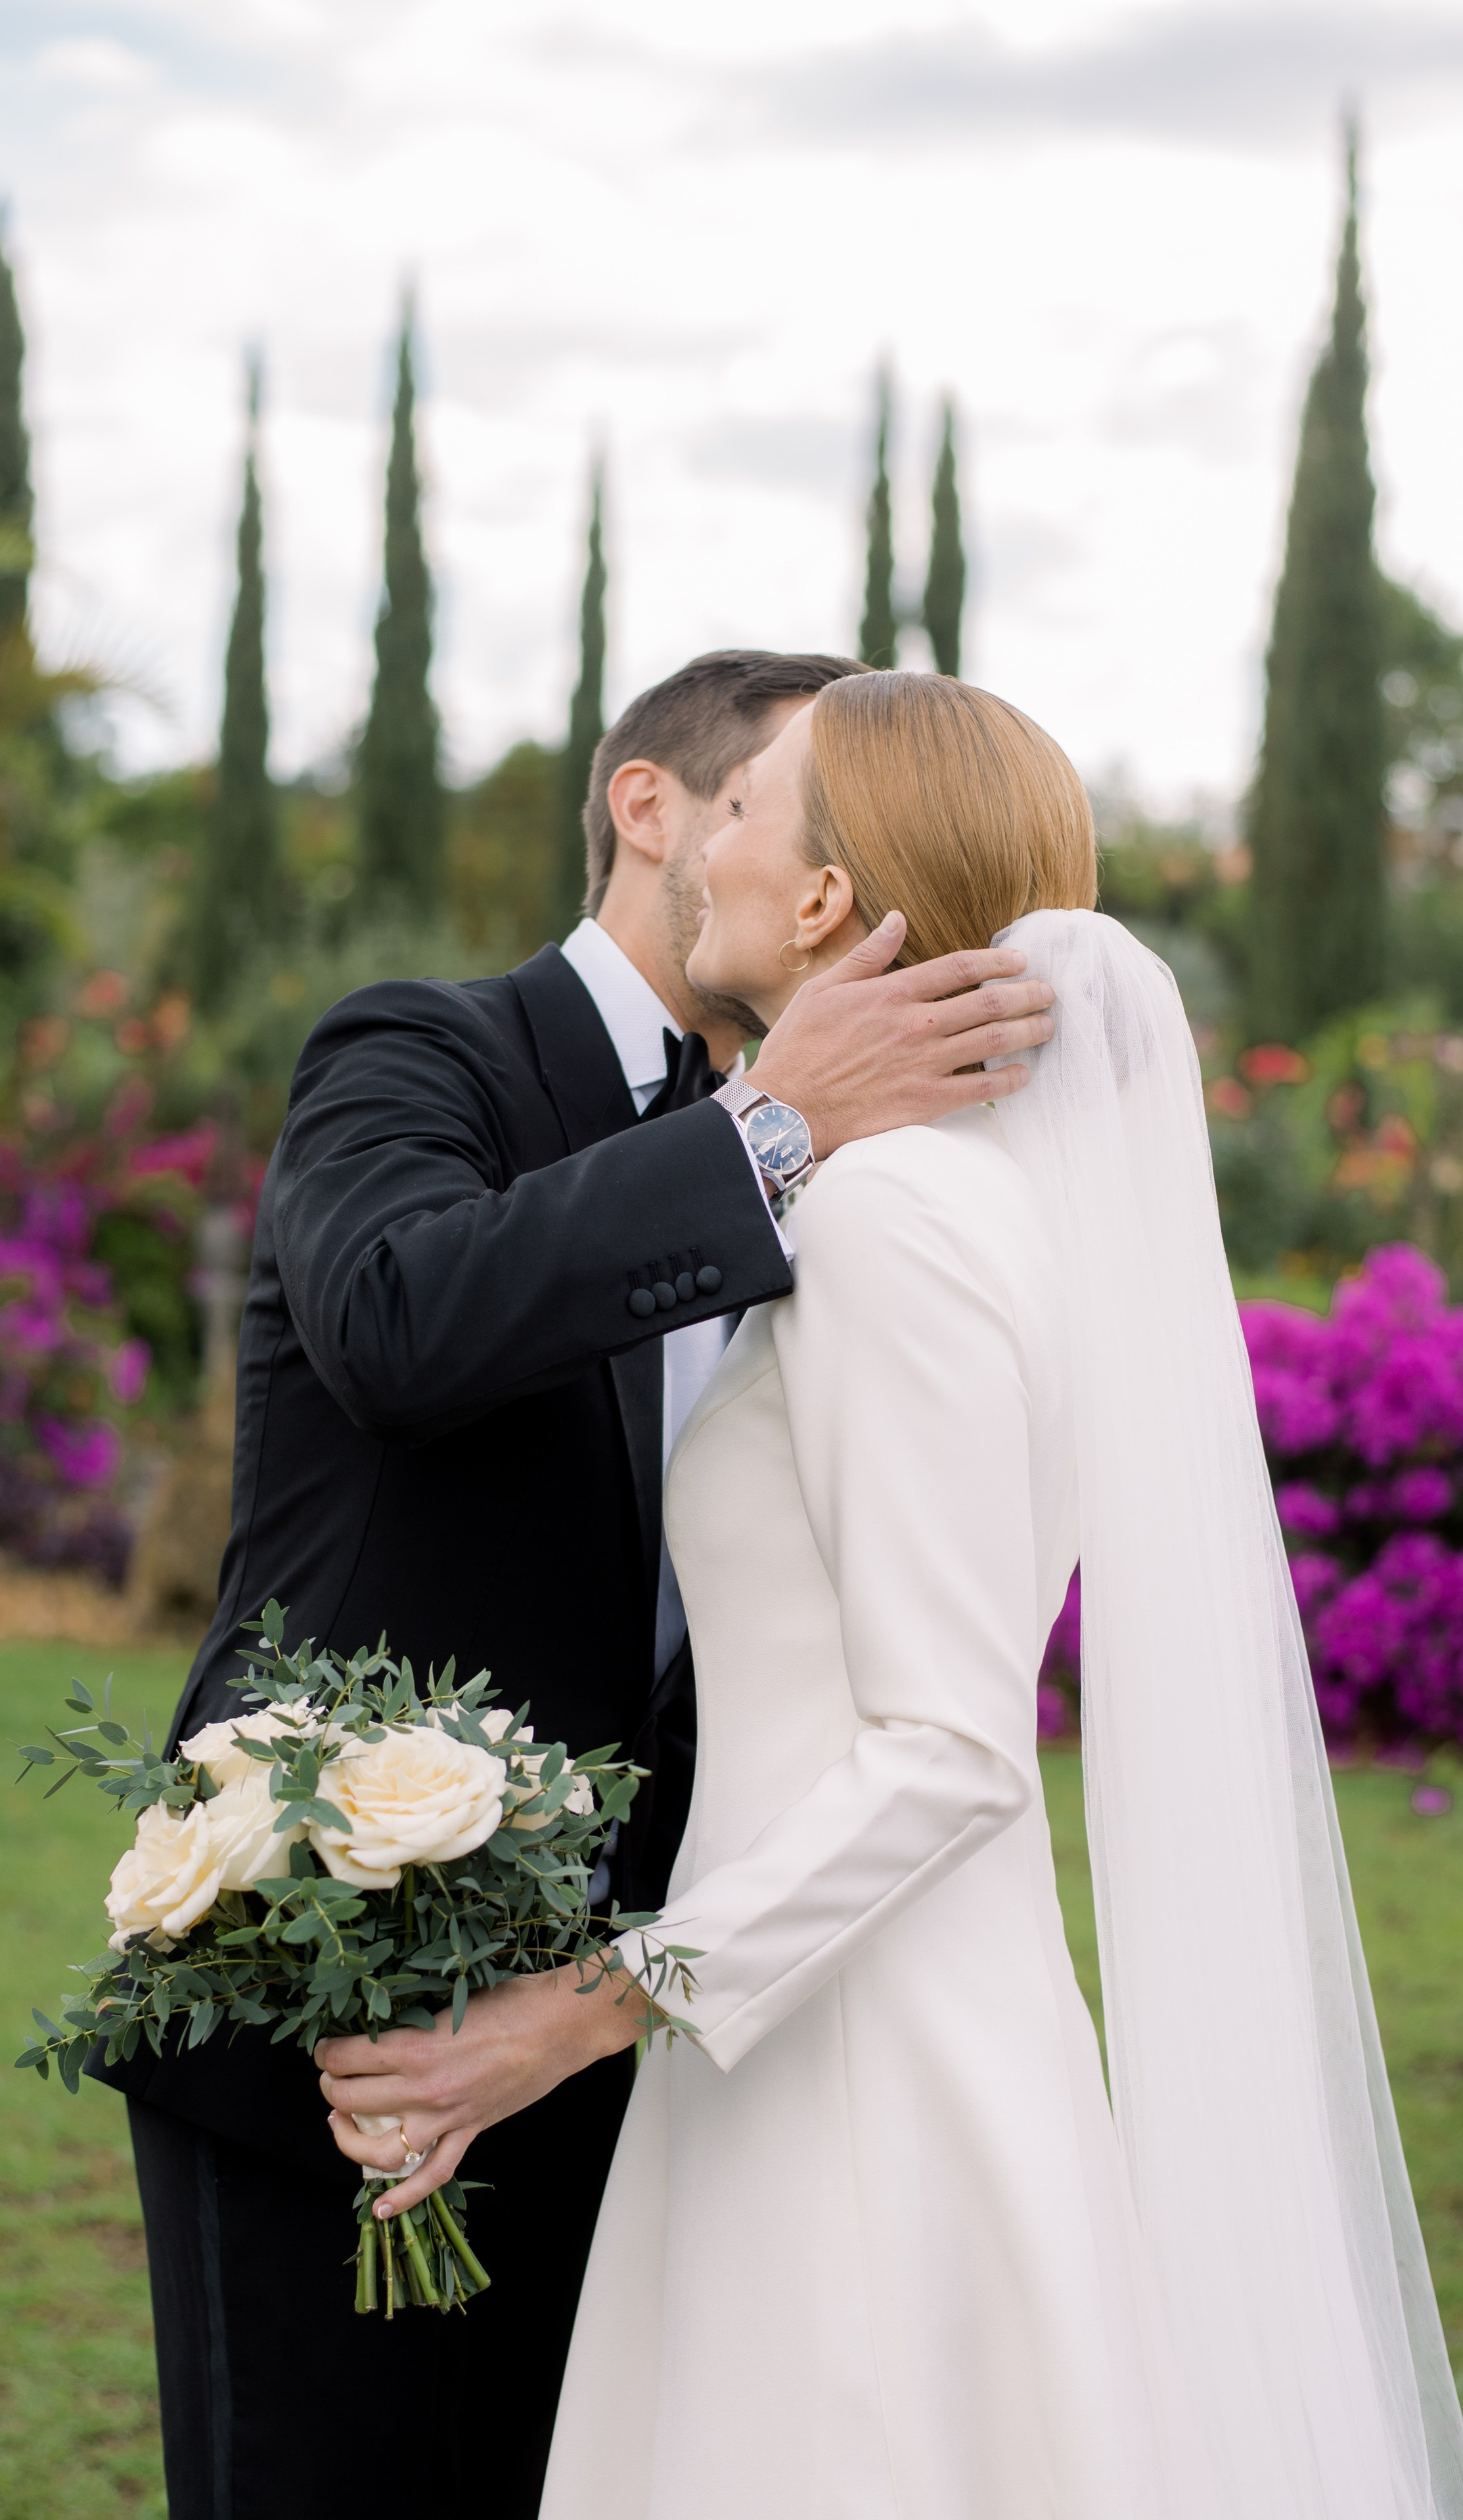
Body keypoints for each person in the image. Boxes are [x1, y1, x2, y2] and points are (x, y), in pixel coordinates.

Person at [322, 673, 1463, 2520]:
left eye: (754, 806)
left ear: (835, 899)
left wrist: (591, 2005)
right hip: (827, 2001)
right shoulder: (955, 1201)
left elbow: (950, 1751)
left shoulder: (894, 1220)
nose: (712, 842)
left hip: (848, 2054)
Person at [95, 648, 1060, 2520]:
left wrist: (633, 1988)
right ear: (651, 808)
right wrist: (765, 1126)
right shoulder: (420, 1049)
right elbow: (396, 1321)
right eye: (781, 801)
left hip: (639, 2042)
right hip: (330, 2007)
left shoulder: (870, 1198)